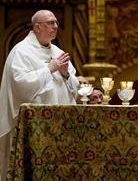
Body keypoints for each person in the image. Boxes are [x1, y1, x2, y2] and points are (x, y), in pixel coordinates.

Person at [0, 10, 79, 180]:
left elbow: (75, 87)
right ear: (37, 27)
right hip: (33, 124)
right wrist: (49, 69)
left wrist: (65, 74)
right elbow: (20, 82)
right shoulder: (21, 51)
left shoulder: (57, 52)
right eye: (51, 23)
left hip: (59, 122)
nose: (56, 26)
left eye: (56, 22)